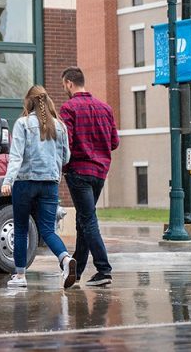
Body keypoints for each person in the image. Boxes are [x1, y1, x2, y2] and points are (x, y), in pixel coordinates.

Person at [2, 85, 76, 289]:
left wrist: (7, 182)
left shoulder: (23, 124)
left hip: (25, 183)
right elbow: (66, 157)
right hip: (50, 185)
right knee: (48, 230)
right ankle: (65, 260)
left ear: (29, 102)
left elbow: (16, 157)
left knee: (21, 228)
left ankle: (20, 276)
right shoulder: (60, 126)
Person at [60, 66, 119, 287]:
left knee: (87, 220)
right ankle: (78, 271)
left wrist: (63, 166)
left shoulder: (69, 108)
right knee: (83, 219)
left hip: (79, 172)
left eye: (64, 85)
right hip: (100, 172)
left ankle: (104, 270)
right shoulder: (105, 108)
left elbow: (68, 143)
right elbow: (114, 142)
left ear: (68, 83)